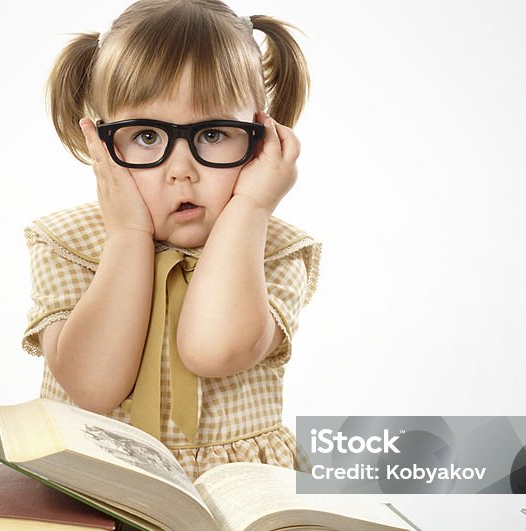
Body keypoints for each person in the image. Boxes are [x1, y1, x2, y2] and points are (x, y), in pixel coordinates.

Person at [22, 0, 319, 481]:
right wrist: (127, 235)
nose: (181, 170)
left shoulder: (274, 248)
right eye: (145, 136)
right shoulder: (69, 242)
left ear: (261, 138)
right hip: (93, 486)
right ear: (102, 145)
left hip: (232, 494)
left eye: (214, 133)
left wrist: (251, 207)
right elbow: (93, 386)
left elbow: (212, 350)